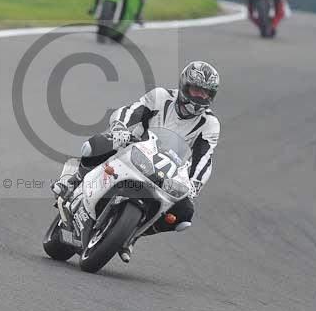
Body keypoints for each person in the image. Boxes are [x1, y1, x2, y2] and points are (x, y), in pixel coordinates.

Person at [51, 61, 221, 262]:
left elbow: (204, 159)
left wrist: (194, 184)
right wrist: (120, 127)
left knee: (184, 214)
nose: (200, 97)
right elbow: (132, 110)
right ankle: (74, 181)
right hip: (135, 147)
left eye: (206, 93)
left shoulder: (210, 124)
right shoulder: (161, 96)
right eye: (196, 90)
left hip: (168, 171)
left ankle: (133, 235)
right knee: (96, 144)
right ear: (184, 85)